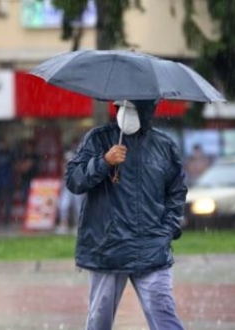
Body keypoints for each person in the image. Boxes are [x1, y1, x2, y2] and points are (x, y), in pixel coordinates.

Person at [65, 99, 187, 330]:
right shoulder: (98, 139)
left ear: (149, 110)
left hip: (151, 248)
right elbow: (74, 181)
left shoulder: (164, 145)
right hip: (107, 248)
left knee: (164, 316)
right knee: (99, 320)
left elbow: (177, 191)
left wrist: (168, 230)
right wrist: (103, 162)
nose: (128, 114)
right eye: (123, 107)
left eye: (135, 108)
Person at [0, 141, 15, 226]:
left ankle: (6, 219)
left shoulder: (9, 154)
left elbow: (12, 165)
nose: (1, 146)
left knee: (6, 201)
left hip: (6, 181)